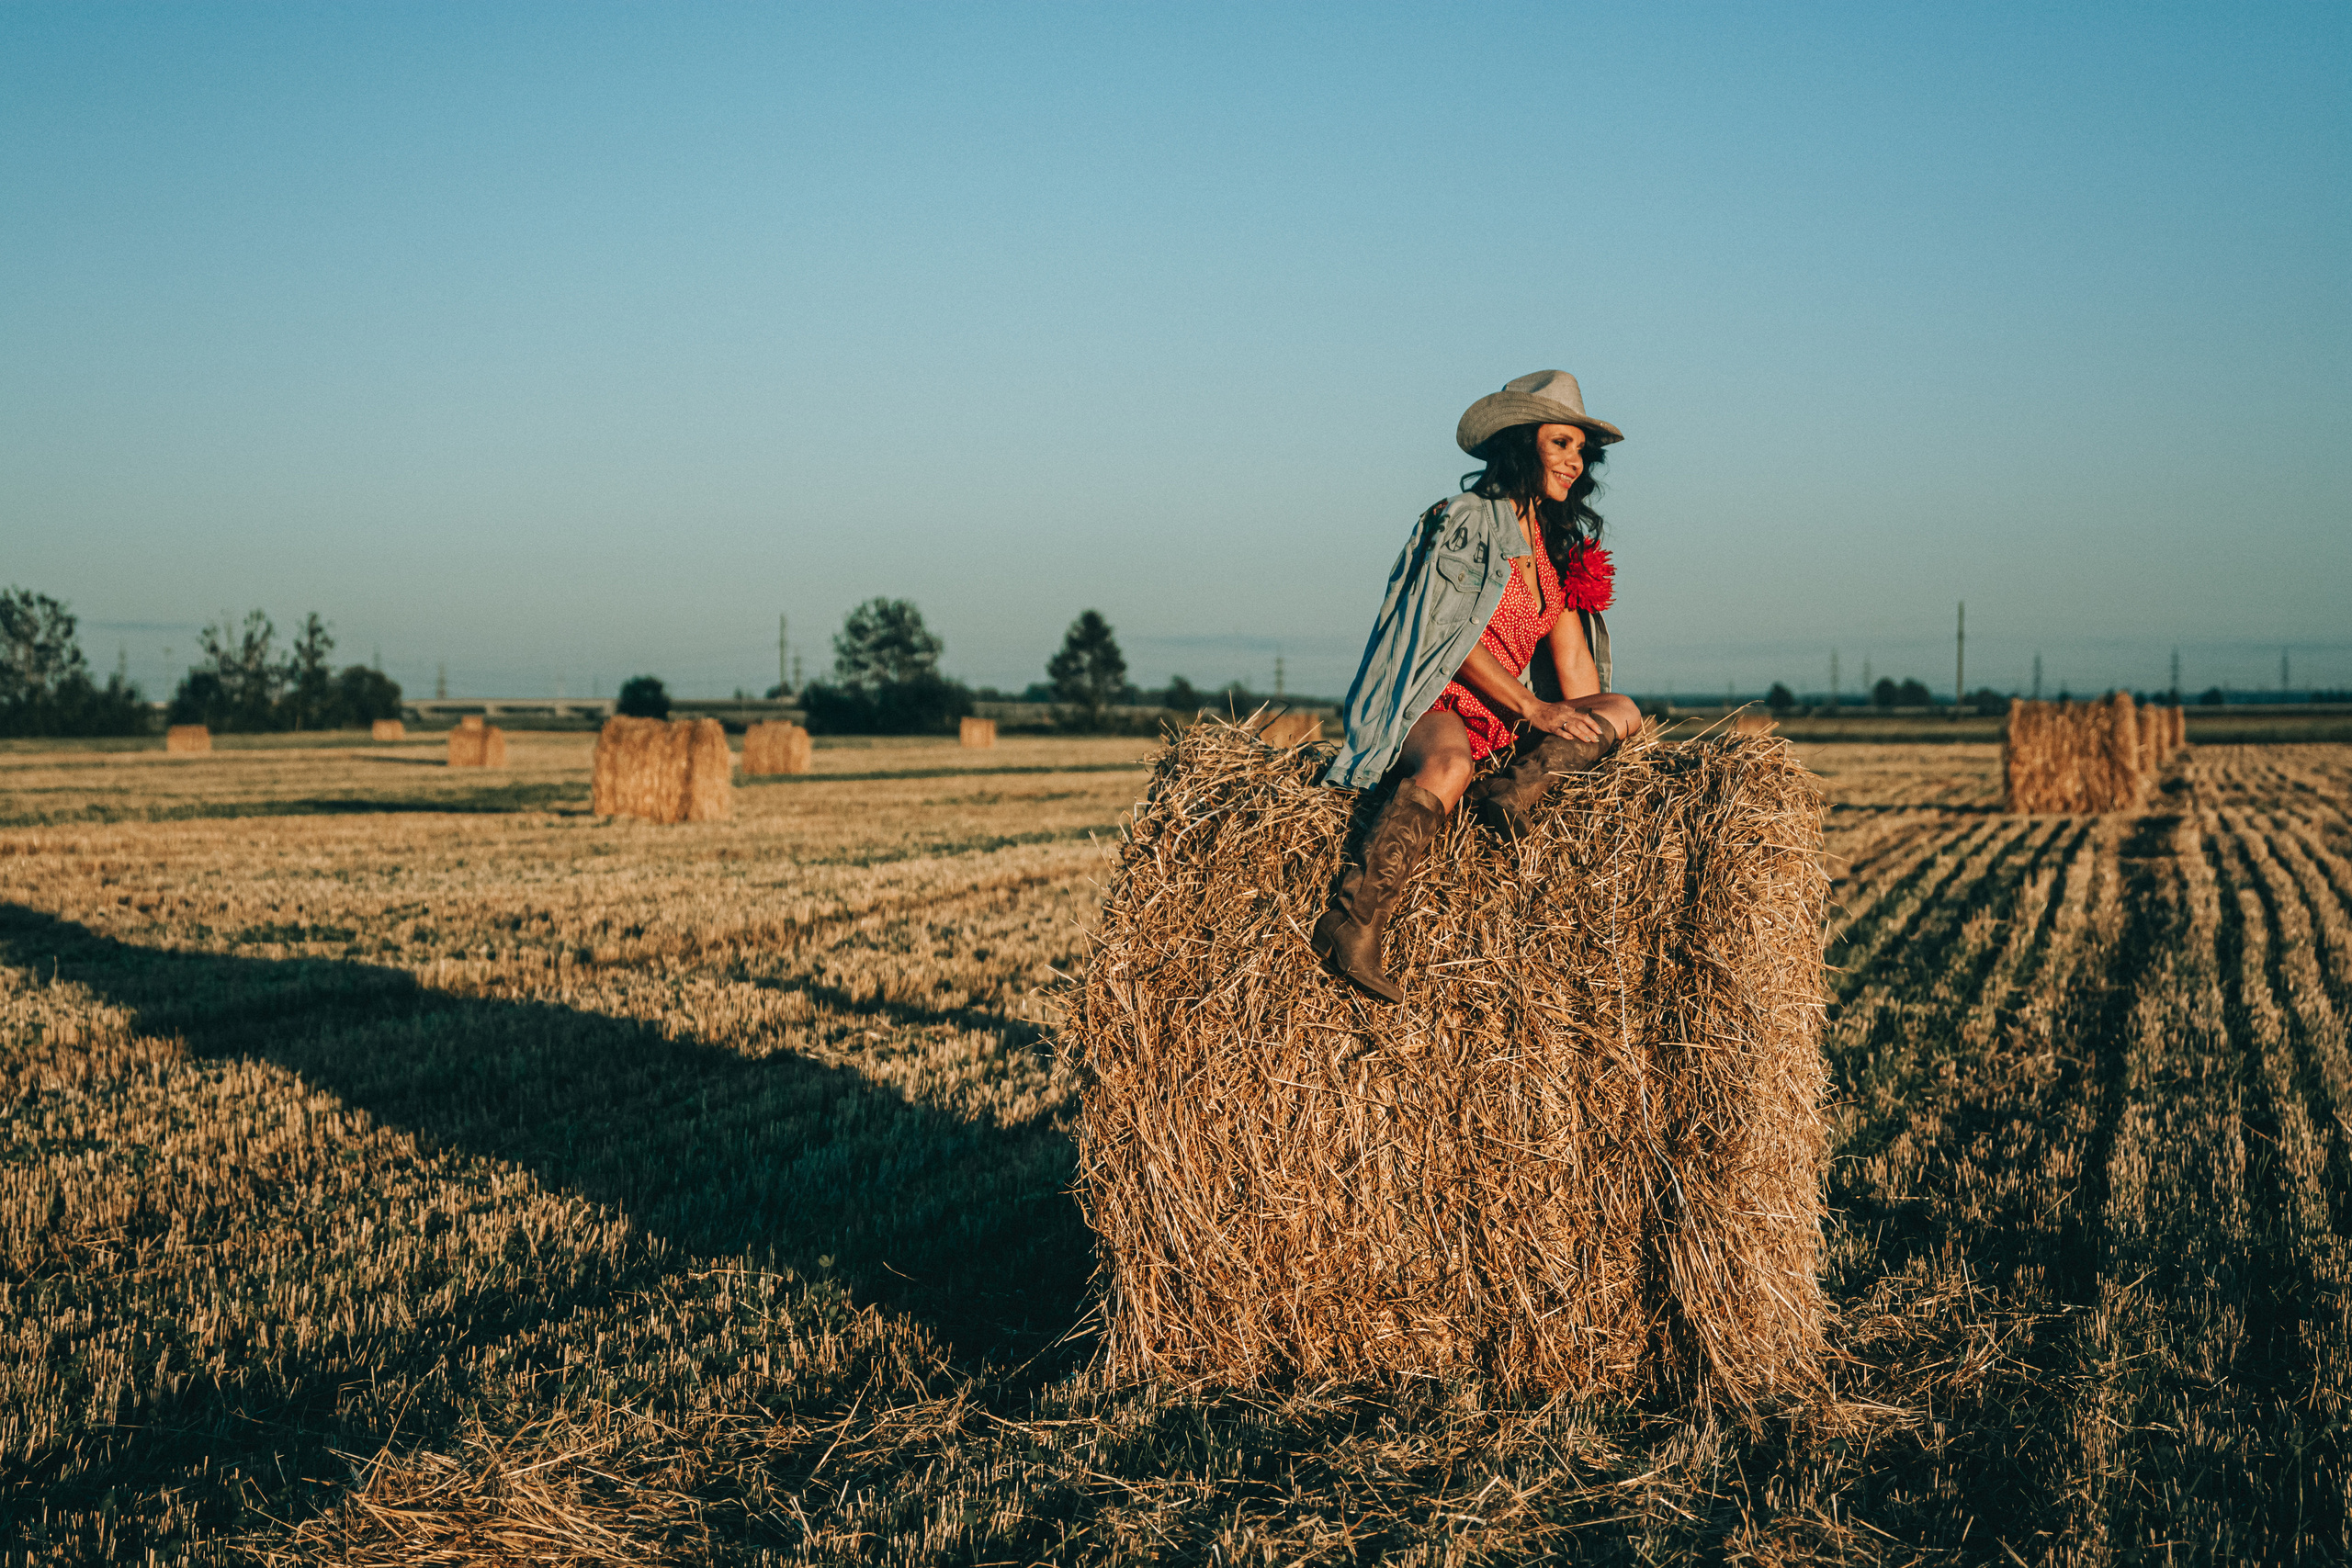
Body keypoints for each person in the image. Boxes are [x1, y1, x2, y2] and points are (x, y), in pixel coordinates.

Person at [1313, 370, 1643, 1003]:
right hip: (1434, 697)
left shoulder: (1549, 554)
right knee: (1448, 760)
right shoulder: (1466, 521)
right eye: (1561, 444)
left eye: (1581, 450)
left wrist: (1596, 742)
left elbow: (1578, 682)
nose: (1576, 462)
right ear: (1523, 444)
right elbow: (1448, 637)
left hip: (1506, 721)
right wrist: (1535, 709)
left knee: (1622, 707)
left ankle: (1513, 794)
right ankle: (1352, 922)